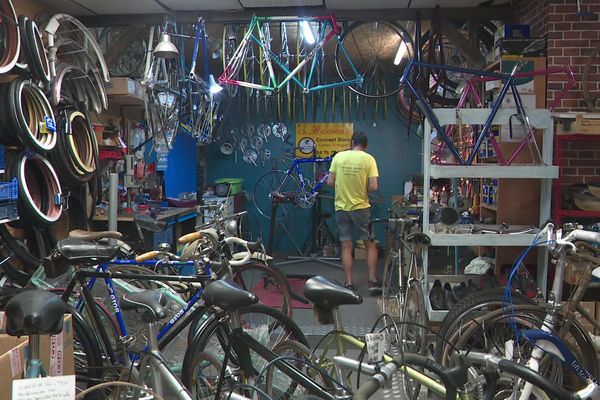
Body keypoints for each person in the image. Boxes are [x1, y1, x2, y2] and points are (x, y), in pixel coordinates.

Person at [327, 131, 380, 293]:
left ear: (352, 142)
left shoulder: (339, 157)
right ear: (365, 145)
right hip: (361, 208)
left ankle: (349, 283)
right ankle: (372, 281)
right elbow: (374, 187)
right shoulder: (369, 159)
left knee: (346, 246)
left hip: (342, 208)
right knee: (370, 244)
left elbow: (330, 182)